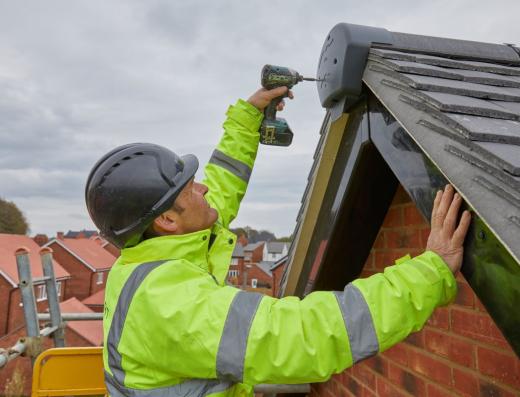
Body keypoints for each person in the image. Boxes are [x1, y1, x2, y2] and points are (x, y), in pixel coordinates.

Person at [85, 86, 471, 397]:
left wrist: (248, 116)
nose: (202, 188)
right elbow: (304, 336)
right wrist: (430, 270)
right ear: (167, 219)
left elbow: (219, 190)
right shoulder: (169, 305)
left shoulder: (154, 253)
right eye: (190, 189)